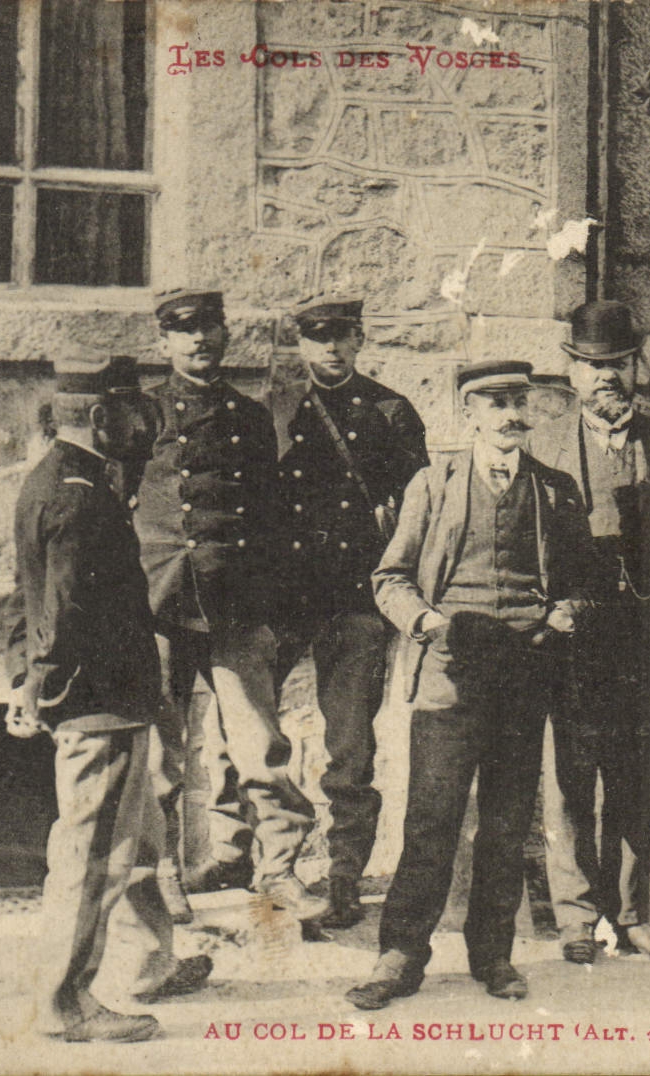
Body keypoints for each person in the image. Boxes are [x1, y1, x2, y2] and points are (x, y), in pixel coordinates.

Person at [348, 360, 592, 1008]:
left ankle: (493, 956)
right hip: (449, 679)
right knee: (432, 820)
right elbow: (389, 579)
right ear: (469, 413)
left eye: (519, 402)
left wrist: (566, 612)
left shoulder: (555, 489)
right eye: (496, 403)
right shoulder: (433, 484)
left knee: (506, 825)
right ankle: (400, 955)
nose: (511, 415)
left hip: (524, 676)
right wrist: (427, 622)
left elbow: (580, 581)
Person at [7, 354, 211, 1044]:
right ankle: (64, 1004)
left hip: (110, 698)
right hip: (101, 702)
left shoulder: (58, 479)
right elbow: (61, 610)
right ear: (99, 417)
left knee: (128, 841)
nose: (141, 421)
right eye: (127, 409)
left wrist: (29, 679)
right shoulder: (80, 495)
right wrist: (41, 684)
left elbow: (31, 594)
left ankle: (140, 969)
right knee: (93, 858)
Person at [133, 289, 324, 924]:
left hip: (234, 601)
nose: (199, 341)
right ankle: (162, 874)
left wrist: (273, 607)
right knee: (160, 751)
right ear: (164, 341)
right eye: (184, 330)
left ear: (224, 335)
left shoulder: (248, 416)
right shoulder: (142, 412)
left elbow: (270, 516)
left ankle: (278, 871)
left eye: (209, 328)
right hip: (160, 597)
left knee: (260, 745)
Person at [531, 300, 650, 967]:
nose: (606, 377)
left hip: (643, 637)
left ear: (637, 366)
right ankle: (577, 916)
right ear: (571, 371)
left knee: (637, 775)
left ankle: (630, 915)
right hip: (571, 639)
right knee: (571, 775)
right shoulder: (543, 444)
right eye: (591, 365)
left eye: (618, 364)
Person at [272, 294, 428, 929]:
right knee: (253, 735)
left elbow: (420, 508)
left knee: (351, 746)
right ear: (301, 344)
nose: (331, 349)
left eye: (342, 337)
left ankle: (344, 873)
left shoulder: (391, 412)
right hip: (284, 597)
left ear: (360, 340)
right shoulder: (275, 412)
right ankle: (267, 865)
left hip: (355, 597)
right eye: (318, 338)